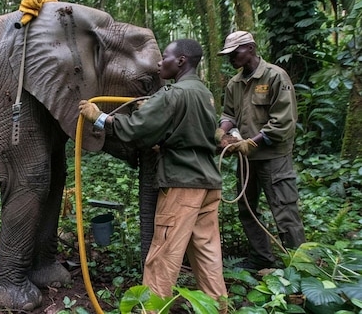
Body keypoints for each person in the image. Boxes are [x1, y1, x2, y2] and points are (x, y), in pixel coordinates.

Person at [80, 39, 227, 312]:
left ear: (181, 60)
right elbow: (186, 130)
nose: (161, 62)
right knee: (208, 254)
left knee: (163, 256)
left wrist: (100, 118)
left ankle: (152, 309)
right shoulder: (203, 93)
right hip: (208, 183)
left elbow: (137, 130)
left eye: (166, 57)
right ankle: (219, 307)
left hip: (182, 184)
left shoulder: (173, 94)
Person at [216, 31, 306, 270]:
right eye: (228, 55)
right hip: (247, 162)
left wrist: (251, 142)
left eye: (235, 53)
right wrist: (222, 131)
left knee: (284, 210)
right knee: (247, 209)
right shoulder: (234, 83)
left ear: (251, 49)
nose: (231, 59)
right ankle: (261, 258)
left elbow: (282, 122)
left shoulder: (276, 76)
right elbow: (229, 114)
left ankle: (299, 266)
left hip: (273, 158)